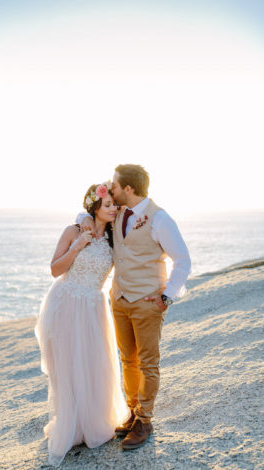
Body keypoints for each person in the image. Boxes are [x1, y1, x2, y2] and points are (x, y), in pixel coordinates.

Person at [79, 164, 191, 450]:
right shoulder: (116, 212)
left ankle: (145, 420)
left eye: (114, 185)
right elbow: (89, 212)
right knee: (127, 360)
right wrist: (83, 220)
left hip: (147, 303)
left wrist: (167, 296)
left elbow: (183, 259)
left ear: (128, 188)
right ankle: (132, 413)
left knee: (148, 362)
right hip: (120, 301)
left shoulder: (160, 218)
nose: (111, 189)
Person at [34, 182, 130, 466]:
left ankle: (94, 423)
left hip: (94, 306)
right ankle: (72, 426)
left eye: (115, 205)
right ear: (94, 207)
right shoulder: (74, 231)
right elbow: (55, 270)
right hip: (66, 301)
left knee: (94, 363)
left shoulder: (114, 237)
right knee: (66, 365)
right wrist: (77, 247)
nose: (113, 209)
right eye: (108, 205)